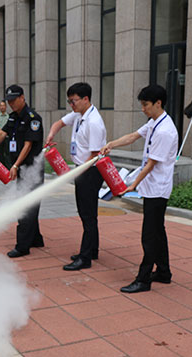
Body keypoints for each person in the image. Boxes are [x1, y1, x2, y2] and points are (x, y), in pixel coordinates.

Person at [100, 84, 178, 294]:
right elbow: (134, 136)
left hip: (157, 189)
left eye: (145, 105)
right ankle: (164, 272)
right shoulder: (154, 122)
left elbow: (151, 164)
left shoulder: (165, 131)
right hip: (151, 186)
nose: (143, 109)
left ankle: (143, 280)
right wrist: (112, 144)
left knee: (149, 235)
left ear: (158, 103)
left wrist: (133, 185)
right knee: (158, 231)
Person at [46, 82, 107, 271]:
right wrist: (51, 135)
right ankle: (92, 250)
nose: (71, 105)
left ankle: (85, 257)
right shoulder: (79, 114)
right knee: (88, 213)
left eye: (74, 101)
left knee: (87, 214)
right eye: (69, 102)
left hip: (90, 171)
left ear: (85, 99)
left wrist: (76, 172)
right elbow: (59, 123)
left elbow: (95, 154)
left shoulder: (94, 122)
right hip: (83, 169)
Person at [0, 85, 44, 258]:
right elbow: (3, 133)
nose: (11, 103)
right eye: (8, 101)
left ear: (22, 98)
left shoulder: (33, 118)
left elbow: (28, 145)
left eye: (14, 100)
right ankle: (36, 239)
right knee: (30, 202)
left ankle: (22, 246)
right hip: (22, 168)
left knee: (25, 205)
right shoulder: (13, 117)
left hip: (31, 169)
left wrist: (15, 165)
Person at [0, 100, 12, 168]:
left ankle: (8, 168)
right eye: (1, 106)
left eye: (3, 105)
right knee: (0, 153)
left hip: (7, 137)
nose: (2, 107)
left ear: (6, 107)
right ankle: (2, 168)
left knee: (7, 153)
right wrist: (2, 131)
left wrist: (4, 132)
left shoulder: (9, 116)